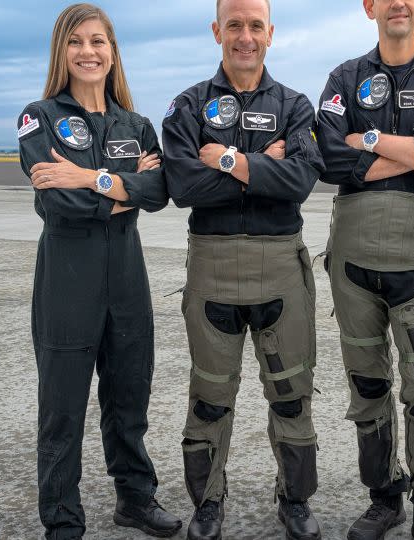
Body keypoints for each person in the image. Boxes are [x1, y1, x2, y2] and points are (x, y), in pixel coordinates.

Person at [159, 1, 325, 538]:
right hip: (213, 266)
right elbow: (182, 186)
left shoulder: (297, 107)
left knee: (291, 393)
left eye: (255, 25)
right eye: (235, 25)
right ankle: (208, 503)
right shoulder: (187, 106)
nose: (245, 36)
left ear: (270, 34)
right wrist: (263, 164)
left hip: (281, 267)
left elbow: (301, 179)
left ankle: (295, 501)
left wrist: (226, 160)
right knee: (210, 397)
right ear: (217, 31)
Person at [17, 4, 181, 539]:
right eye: (76, 42)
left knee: (129, 400)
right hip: (68, 279)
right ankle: (62, 520)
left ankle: (135, 500)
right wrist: (123, 185)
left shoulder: (135, 125)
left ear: (113, 52)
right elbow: (60, 204)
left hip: (127, 280)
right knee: (62, 409)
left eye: (98, 41)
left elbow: (159, 192)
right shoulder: (39, 117)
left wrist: (86, 177)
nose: (88, 51)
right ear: (61, 51)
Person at [316, 1, 414, 538]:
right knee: (367, 384)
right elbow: (330, 162)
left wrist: (365, 140)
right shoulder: (344, 77)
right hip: (354, 255)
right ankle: (385, 498)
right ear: (369, 6)